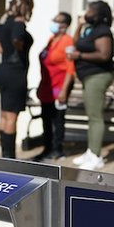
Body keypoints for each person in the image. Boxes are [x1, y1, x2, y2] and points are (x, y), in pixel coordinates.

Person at [64, 0, 114, 170]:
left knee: (95, 117)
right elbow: (76, 42)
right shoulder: (90, 30)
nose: (86, 12)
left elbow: (104, 55)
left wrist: (79, 56)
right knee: (91, 115)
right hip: (89, 76)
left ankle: (96, 157)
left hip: (98, 76)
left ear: (98, 14)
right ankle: (91, 151)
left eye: (89, 10)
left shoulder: (103, 31)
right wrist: (79, 26)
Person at [0, 0, 34, 158]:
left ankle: (4, 154)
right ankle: (10, 158)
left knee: (5, 113)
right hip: (15, 72)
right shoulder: (19, 23)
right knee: (12, 116)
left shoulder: (5, 20)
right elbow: (17, 38)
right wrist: (17, 47)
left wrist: (5, 51)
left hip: (3, 70)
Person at [35, 11, 76, 160]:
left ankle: (57, 149)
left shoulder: (68, 41)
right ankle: (47, 148)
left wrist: (64, 90)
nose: (53, 22)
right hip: (47, 85)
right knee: (46, 118)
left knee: (57, 119)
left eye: (56, 20)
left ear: (64, 26)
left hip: (59, 86)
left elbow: (70, 68)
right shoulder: (52, 39)